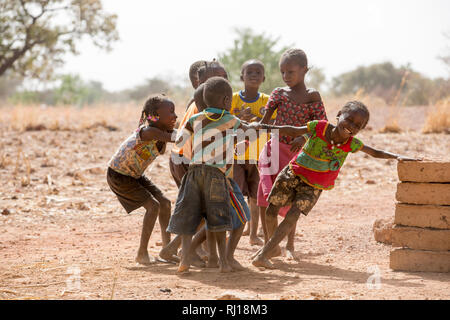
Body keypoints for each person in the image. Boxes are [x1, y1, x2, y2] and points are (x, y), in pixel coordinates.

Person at [252, 101, 420, 269]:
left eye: (357, 125)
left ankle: (264, 253)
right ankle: (272, 248)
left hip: (314, 185)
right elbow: (293, 130)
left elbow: (375, 152)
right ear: (339, 114)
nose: (351, 126)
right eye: (349, 119)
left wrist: (397, 156)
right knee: (271, 210)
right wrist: (263, 126)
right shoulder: (320, 127)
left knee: (292, 216)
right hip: (293, 173)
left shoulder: (351, 144)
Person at [167, 77, 258, 273]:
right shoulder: (231, 120)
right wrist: (255, 127)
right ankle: (225, 262)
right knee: (219, 218)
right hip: (217, 175)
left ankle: (184, 259)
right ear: (226, 100)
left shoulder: (195, 119)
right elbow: (248, 131)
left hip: (193, 172)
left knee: (189, 215)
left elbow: (180, 141)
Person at [258, 48, 328, 259]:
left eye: (291, 72)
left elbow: (322, 127)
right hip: (275, 149)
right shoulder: (278, 94)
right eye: (283, 72)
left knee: (291, 199)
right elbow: (265, 123)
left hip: (297, 155)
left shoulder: (312, 96)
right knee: (265, 196)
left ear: (304, 70)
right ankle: (270, 245)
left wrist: (305, 137)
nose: (286, 77)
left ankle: (290, 244)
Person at [106, 94, 177, 265]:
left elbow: (178, 135)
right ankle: (141, 253)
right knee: (154, 207)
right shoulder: (149, 131)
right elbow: (180, 137)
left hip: (135, 175)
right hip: (119, 175)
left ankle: (166, 251)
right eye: (171, 112)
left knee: (165, 203)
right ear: (156, 116)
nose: (175, 116)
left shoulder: (163, 131)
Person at [229, 59, 275, 246]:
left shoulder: (267, 101)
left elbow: (273, 125)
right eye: (250, 72)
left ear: (263, 78)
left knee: (256, 197)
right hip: (237, 154)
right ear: (242, 77)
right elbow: (225, 122)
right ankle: (235, 233)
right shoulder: (232, 99)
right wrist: (240, 118)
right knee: (237, 193)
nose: (254, 76)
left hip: (259, 155)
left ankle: (253, 234)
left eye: (258, 72)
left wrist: (256, 120)